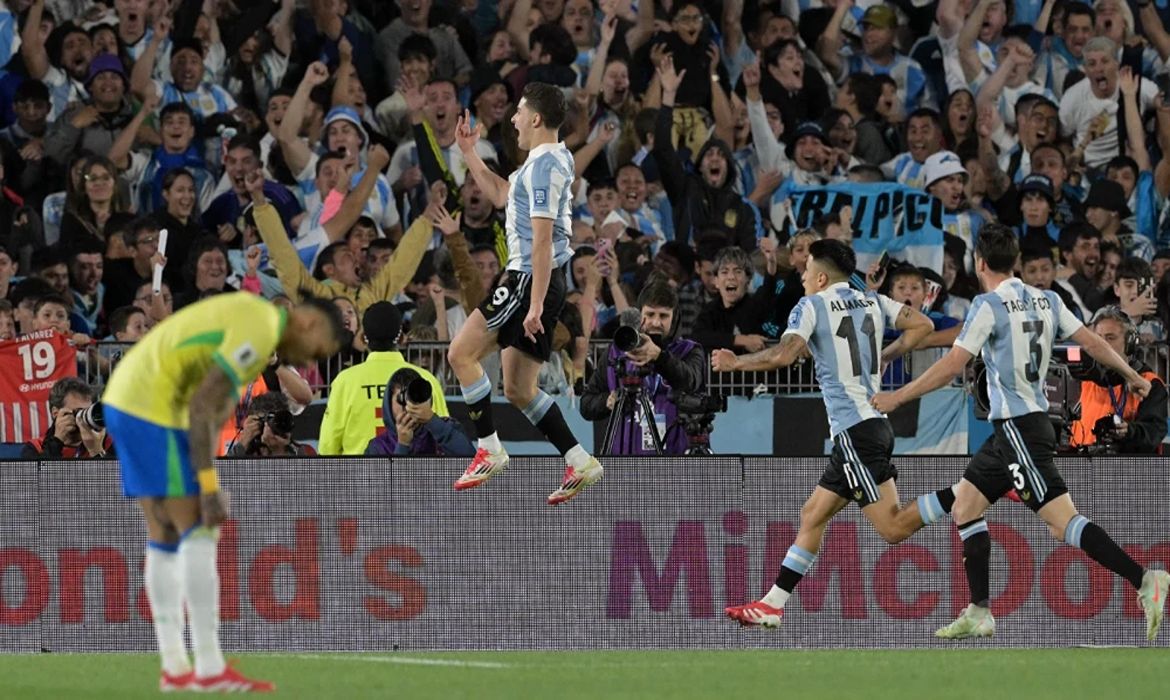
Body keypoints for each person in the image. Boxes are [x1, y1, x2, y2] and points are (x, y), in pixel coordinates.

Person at [871, 224, 1170, 642]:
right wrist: (1132, 375)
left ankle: (1145, 579)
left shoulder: (987, 305)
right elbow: (1092, 343)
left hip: (1020, 431)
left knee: (1061, 524)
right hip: (1012, 432)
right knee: (966, 506)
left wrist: (898, 396)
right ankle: (979, 611)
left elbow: (954, 364)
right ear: (1015, 262)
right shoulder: (1048, 299)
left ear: (979, 263)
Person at [101, 291, 344, 692]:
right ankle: (208, 666)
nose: (309, 360)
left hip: (132, 398)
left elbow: (211, 408)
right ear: (310, 323)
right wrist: (209, 486)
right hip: (153, 406)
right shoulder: (260, 327)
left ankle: (176, 667)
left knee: (163, 533)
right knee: (198, 530)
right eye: (318, 350)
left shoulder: (250, 319)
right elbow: (203, 406)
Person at [713, 239, 951, 630]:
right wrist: (886, 355)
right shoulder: (872, 300)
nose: (803, 278)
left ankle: (972, 488)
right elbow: (923, 324)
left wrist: (734, 361)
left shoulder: (811, 305)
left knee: (892, 528)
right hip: (870, 427)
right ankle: (772, 604)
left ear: (821, 277)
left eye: (807, 271)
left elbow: (783, 354)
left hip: (856, 432)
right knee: (813, 514)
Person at [447, 83, 604, 505]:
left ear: (535, 118)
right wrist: (469, 153)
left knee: (460, 353)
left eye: (518, 111)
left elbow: (542, 240)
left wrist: (533, 303)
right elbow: (502, 194)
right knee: (518, 388)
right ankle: (579, 459)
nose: (513, 119)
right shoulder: (546, 160)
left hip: (525, 280)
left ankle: (489, 449)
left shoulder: (543, 167)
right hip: (539, 281)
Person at [580, 282, 705, 454]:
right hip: (625, 459)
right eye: (650, 314)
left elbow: (690, 382)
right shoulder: (616, 351)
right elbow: (586, 405)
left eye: (663, 316)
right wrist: (607, 401)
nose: (656, 322)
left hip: (675, 458)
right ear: (640, 315)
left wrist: (660, 357)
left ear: (674, 317)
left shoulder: (690, 351)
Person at [318, 301, 447, 455]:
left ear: (364, 338)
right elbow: (446, 439)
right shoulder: (427, 380)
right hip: (414, 470)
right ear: (401, 338)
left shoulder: (345, 381)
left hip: (361, 470)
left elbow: (327, 448)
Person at [1068, 306, 1167, 453]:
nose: (1102, 345)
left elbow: (1153, 433)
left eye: (1110, 338)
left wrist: (1128, 431)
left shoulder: (1149, 383)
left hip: (1125, 464)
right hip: (1080, 461)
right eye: (1098, 338)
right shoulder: (1083, 378)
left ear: (1130, 344)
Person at [364, 367, 474, 456]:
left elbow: (472, 463)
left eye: (413, 398)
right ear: (389, 403)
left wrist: (432, 420)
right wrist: (402, 445)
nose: (408, 406)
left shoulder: (446, 429)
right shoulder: (378, 447)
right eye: (402, 398)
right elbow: (388, 478)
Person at [21, 377, 112, 458]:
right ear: (56, 413)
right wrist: (56, 443)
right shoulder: (36, 448)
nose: (84, 418)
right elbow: (43, 472)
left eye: (87, 411)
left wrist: (96, 451)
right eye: (78, 412)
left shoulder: (105, 443)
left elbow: (114, 472)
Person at [227, 391, 316, 457]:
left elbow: (304, 476)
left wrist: (279, 451)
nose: (268, 428)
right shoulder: (244, 452)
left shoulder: (303, 452)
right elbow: (224, 474)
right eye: (264, 422)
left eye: (276, 420)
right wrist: (242, 443)